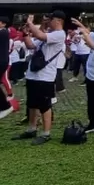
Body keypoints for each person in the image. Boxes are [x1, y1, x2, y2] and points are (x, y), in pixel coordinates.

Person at [14, 11, 66, 145]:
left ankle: (46, 133)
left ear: (59, 20)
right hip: (33, 74)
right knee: (32, 104)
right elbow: (31, 45)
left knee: (45, 105)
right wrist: (25, 33)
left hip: (46, 76)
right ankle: (32, 129)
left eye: (50, 19)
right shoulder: (49, 34)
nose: (48, 22)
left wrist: (31, 23)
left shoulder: (59, 34)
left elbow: (39, 35)